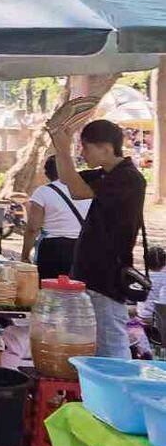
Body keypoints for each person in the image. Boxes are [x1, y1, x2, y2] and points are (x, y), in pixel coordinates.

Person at [49, 119, 146, 358]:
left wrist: (63, 149)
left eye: (86, 147)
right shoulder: (105, 174)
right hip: (89, 272)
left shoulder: (129, 178)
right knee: (89, 343)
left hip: (107, 276)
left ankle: (119, 393)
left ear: (106, 148)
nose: (83, 153)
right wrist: (57, 142)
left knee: (111, 345)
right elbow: (69, 183)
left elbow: (80, 191)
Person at [21, 155, 91, 279]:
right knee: (75, 292)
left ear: (47, 173)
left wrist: (25, 255)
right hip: (81, 248)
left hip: (52, 249)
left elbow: (33, 228)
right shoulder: (84, 190)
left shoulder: (42, 192)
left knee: (50, 292)